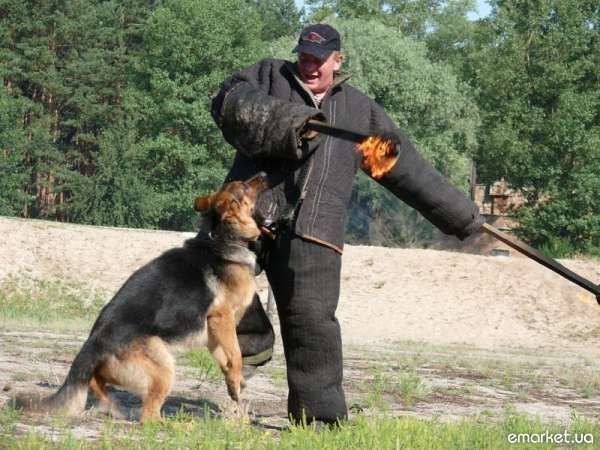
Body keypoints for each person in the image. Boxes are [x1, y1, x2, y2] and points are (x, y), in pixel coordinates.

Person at [210, 24, 483, 425]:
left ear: (338, 61)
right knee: (215, 280)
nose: (310, 66)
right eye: (304, 57)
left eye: (319, 60)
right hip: (247, 213)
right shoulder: (270, 76)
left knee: (312, 320)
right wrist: (292, 121)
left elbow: (405, 167)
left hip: (316, 228)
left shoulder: (359, 112)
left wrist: (463, 217)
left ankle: (319, 420)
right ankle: (253, 343)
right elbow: (229, 102)